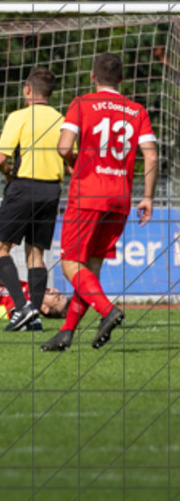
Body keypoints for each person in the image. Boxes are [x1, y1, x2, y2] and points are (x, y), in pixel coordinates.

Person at [43, 53, 157, 352]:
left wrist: (73, 160)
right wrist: (147, 197)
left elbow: (64, 146)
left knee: (70, 265)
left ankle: (107, 310)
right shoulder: (136, 110)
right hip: (120, 198)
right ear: (122, 79)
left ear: (93, 76)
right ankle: (66, 333)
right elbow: (152, 156)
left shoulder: (82, 104)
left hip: (88, 194)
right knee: (90, 268)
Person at [0, 67, 64, 332]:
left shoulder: (19, 116)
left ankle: (22, 308)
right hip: (52, 190)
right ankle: (35, 316)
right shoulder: (61, 120)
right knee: (35, 254)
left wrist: (9, 175)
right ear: (50, 94)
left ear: (28, 90)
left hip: (24, 187)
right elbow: (71, 157)